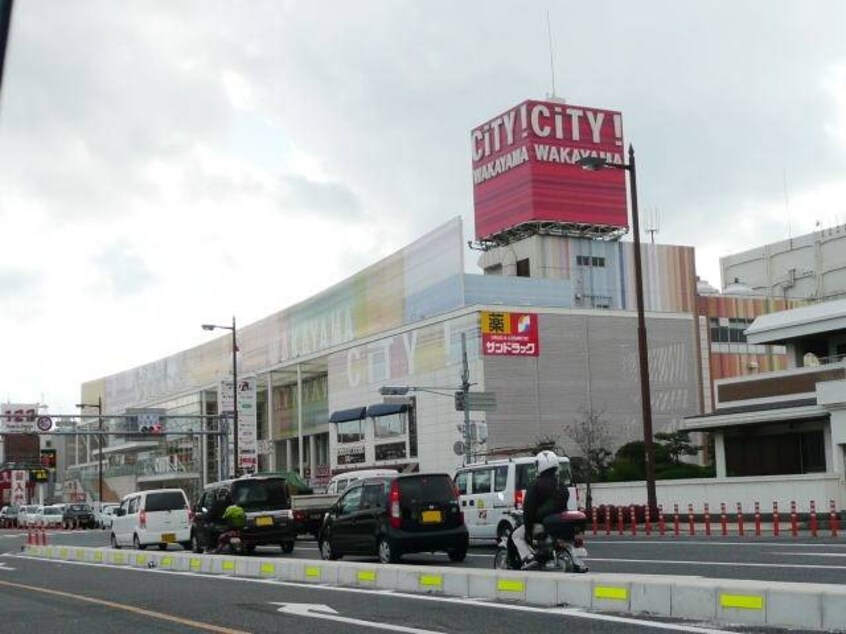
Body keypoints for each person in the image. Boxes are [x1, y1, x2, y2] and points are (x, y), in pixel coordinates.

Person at [510, 450, 569, 569]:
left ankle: (527, 558)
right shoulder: (561, 485)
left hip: (541, 524)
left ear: (540, 465)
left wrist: (528, 529)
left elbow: (528, 510)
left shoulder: (536, 486)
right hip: (558, 523)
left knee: (516, 535)